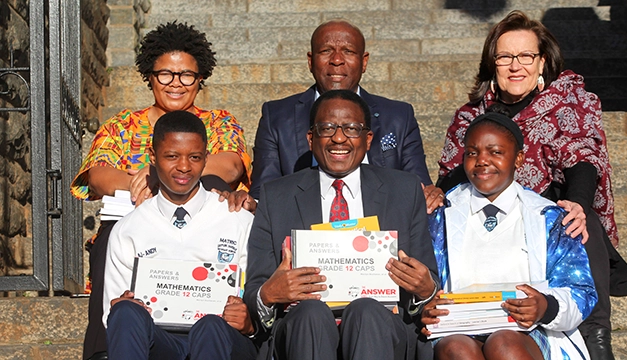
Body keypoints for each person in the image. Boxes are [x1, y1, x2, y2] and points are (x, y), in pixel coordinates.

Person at [437, 10, 627, 359]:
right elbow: (452, 173)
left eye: (525, 56)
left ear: (542, 61)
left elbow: (583, 156)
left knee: (580, 225)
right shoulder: (470, 115)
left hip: (551, 206)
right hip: (489, 207)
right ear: (492, 64)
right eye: (505, 56)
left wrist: (578, 203)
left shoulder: (569, 100)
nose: (515, 65)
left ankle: (596, 340)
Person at [70, 22, 251, 360]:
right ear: (149, 76)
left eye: (186, 75)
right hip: (140, 226)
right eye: (165, 74)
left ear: (200, 80)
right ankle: (102, 348)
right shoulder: (123, 125)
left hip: (205, 232)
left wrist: (169, 175)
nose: (176, 84)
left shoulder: (218, 123)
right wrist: (142, 182)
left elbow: (229, 167)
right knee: (112, 238)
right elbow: (97, 175)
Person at [244, 89, 440, 360]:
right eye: (327, 128)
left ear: (368, 139)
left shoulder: (404, 191)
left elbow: (430, 285)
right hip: (303, 329)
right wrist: (269, 294)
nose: (339, 137)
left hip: (380, 329)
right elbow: (255, 291)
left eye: (351, 128)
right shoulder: (276, 196)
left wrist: (424, 287)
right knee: (311, 314)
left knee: (366, 311)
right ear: (311, 138)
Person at [424, 112, 597, 360]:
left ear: (518, 159)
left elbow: (581, 291)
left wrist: (546, 307)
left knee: (504, 343)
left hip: (528, 331)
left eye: (495, 152)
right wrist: (425, 305)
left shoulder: (548, 216)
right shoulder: (440, 215)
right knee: (456, 349)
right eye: (472, 153)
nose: (482, 160)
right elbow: (423, 280)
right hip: (459, 328)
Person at [225, 19, 443, 213]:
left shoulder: (398, 116)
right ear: (310, 61)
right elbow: (264, 192)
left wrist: (432, 195)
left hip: (379, 230)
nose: (337, 60)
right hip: (302, 226)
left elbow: (419, 187)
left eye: (348, 51)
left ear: (364, 61)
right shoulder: (277, 116)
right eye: (326, 51)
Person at [103, 110, 257, 360]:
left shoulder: (236, 219)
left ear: (206, 158)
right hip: (161, 340)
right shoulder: (129, 229)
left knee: (209, 327)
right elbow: (110, 314)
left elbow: (257, 295)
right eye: (171, 156)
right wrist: (124, 305)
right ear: (152, 157)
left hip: (222, 339)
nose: (184, 167)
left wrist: (248, 318)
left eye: (194, 157)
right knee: (124, 313)